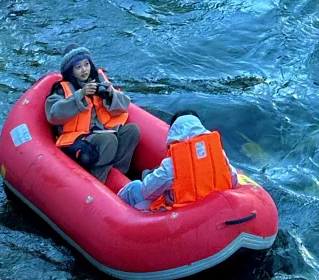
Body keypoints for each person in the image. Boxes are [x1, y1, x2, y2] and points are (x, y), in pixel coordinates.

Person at [45, 47, 140, 182]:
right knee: (108, 140)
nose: (84, 70)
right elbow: (54, 115)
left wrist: (110, 94)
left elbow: (124, 106)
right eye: (78, 67)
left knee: (132, 130)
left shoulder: (98, 80)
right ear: (70, 70)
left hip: (102, 130)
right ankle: (98, 180)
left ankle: (118, 174)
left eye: (86, 64)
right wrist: (81, 95)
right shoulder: (62, 89)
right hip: (80, 138)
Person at [118, 112, 238, 211]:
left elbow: (147, 191)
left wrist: (148, 176)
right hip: (212, 209)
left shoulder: (173, 164)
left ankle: (115, 217)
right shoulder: (218, 153)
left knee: (134, 187)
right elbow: (233, 179)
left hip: (181, 215)